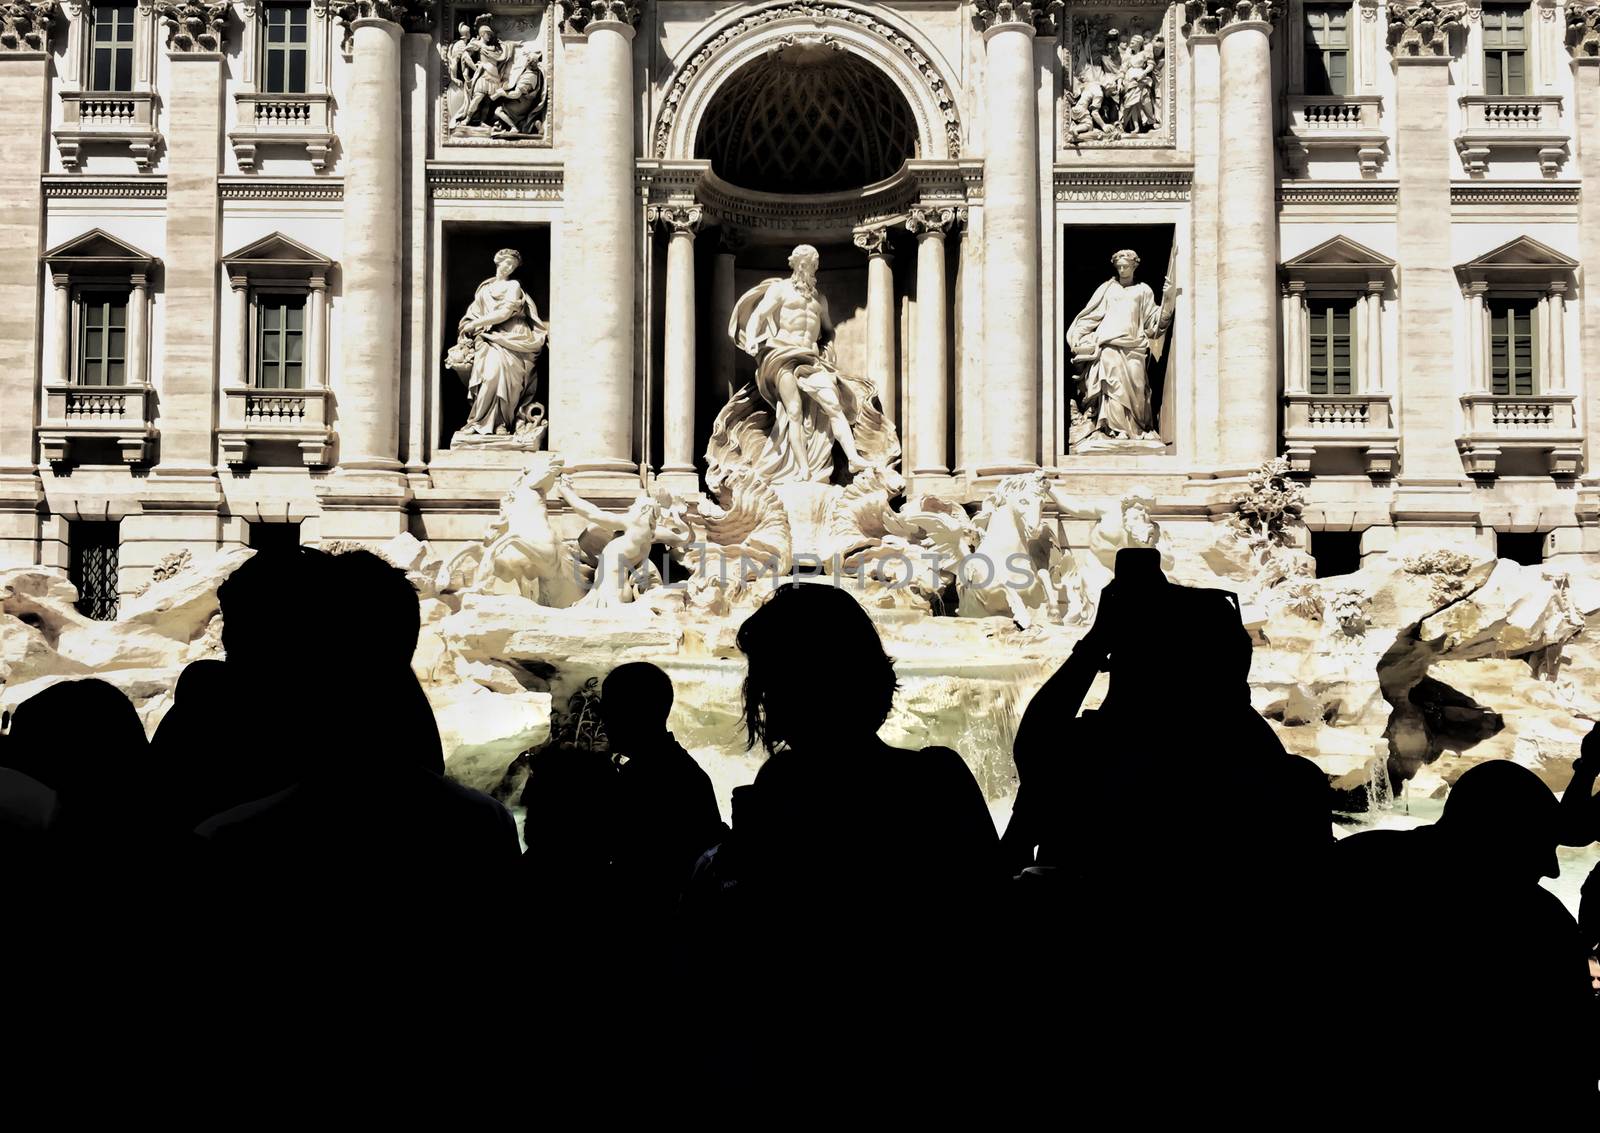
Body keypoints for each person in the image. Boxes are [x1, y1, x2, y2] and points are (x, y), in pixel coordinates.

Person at [681, 583, 1001, 1088]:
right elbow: (988, 925)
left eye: (767, 679)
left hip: (803, 1053)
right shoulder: (938, 779)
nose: (760, 695)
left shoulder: (779, 788)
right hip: (923, 1048)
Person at [1334, 760, 1592, 1111]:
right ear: (1501, 837)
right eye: (1540, 844)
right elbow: (1569, 1069)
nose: (1553, 868)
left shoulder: (1355, 865)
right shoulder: (1541, 927)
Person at [707, 245, 899, 490]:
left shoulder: (819, 300)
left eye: (814, 265)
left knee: (834, 404)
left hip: (810, 359)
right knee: (794, 412)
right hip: (782, 355)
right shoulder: (780, 290)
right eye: (806, 264)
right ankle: (803, 469)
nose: (810, 269)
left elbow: (828, 330)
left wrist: (829, 348)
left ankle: (852, 459)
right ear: (796, 265)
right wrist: (754, 340)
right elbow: (759, 315)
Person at [1067, 249, 1174, 442]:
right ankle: (1115, 431)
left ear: (1135, 266)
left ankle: (1138, 429)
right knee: (1112, 388)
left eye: (1126, 266)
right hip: (1109, 345)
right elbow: (1091, 315)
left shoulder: (1143, 290)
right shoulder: (1107, 288)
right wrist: (1078, 334)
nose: (1123, 269)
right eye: (1119, 267)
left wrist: (1167, 300)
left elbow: (1153, 325)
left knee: (1138, 386)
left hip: (1135, 346)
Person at [447, 247, 548, 441]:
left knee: (507, 380)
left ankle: (502, 423)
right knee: (489, 376)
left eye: (513, 265)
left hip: (513, 337)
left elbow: (504, 313)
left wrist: (477, 323)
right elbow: (473, 313)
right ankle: (477, 422)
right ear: (497, 261)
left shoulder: (514, 286)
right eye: (507, 263)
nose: (509, 267)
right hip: (488, 338)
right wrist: (470, 325)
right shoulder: (484, 289)